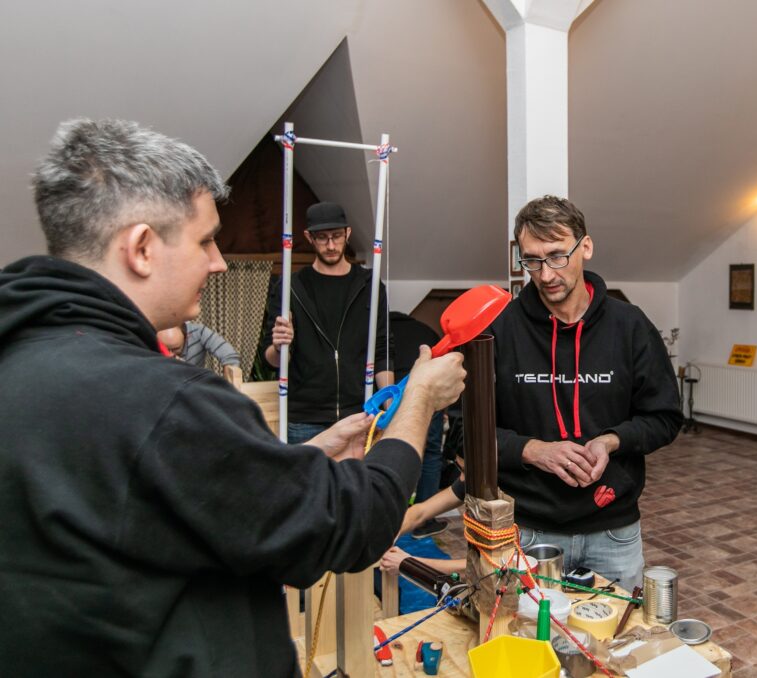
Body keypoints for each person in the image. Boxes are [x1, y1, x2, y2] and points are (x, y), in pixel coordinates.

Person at [0, 118, 466, 677]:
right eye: (204, 240)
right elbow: (352, 524)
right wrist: (418, 402)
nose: (219, 261)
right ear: (142, 249)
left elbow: (179, 493)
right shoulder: (163, 400)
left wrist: (309, 453)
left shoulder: (26, 358)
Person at [489, 195, 682, 591]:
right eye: (532, 260)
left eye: (557, 256)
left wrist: (611, 441)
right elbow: (464, 433)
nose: (545, 275)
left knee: (614, 648)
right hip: (528, 530)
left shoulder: (629, 326)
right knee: (532, 647)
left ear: (586, 247)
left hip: (614, 532)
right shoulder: (499, 331)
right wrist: (534, 451)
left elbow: (664, 418)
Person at [261, 201, 394, 444]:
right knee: (309, 483)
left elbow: (382, 349)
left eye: (336, 236)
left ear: (348, 233)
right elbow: (271, 359)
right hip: (305, 419)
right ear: (308, 238)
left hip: (360, 413)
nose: (331, 245)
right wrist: (281, 346)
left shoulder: (370, 286)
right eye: (322, 238)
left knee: (357, 482)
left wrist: (390, 407)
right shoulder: (291, 286)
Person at [391, 310, 447, 537]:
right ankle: (424, 520)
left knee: (391, 451)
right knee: (431, 452)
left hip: (389, 394)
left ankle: (394, 517)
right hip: (426, 395)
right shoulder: (426, 330)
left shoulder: (381, 331)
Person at [157, 320, 241, 367]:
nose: (170, 354)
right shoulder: (149, 338)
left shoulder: (199, 332)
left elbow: (230, 356)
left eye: (175, 349)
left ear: (187, 337)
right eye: (165, 349)